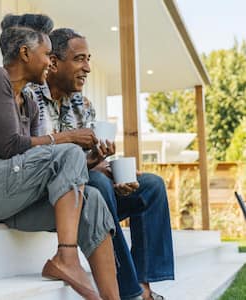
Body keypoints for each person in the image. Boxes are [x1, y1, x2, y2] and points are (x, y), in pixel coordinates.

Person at [0, 14, 120, 300]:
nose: (51, 63)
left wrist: (86, 162)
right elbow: (11, 147)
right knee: (66, 149)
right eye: (47, 55)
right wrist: (69, 137)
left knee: (93, 202)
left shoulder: (28, 101)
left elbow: (42, 158)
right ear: (26, 53)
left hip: (5, 198)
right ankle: (66, 257)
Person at [25, 28, 175, 300]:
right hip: (53, 198)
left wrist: (106, 166)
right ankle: (128, 291)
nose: (88, 68)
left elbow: (87, 163)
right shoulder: (30, 98)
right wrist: (95, 170)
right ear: (55, 63)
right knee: (97, 185)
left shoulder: (84, 105)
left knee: (151, 186)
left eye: (89, 59)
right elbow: (26, 154)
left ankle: (144, 287)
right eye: (80, 59)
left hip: (90, 188)